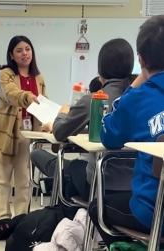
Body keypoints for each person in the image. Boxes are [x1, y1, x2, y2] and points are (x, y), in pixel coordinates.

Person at [88, 15, 164, 248]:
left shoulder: (136, 99)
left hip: (152, 211)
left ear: (140, 60)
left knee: (96, 207)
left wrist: (136, 83)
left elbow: (108, 137)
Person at [31, 38, 135, 202]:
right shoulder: (142, 100)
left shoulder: (93, 100)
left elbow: (59, 132)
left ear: (101, 69)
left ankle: (55, 188)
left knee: (42, 155)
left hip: (99, 187)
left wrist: (62, 113)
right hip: (137, 188)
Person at [0, 35, 46, 220]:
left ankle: (21, 219)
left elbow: (42, 105)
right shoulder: (6, 74)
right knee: (2, 180)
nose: (24, 53)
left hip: (26, 135)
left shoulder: (39, 77)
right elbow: (11, 94)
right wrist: (28, 97)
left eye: (27, 49)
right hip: (5, 134)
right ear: (12, 55)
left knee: (23, 180)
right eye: (19, 50)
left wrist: (48, 123)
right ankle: (2, 220)